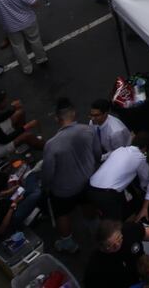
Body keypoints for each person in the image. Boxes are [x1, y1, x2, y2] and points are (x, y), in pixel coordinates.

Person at [43, 98, 101, 254]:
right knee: (88, 205)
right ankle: (96, 231)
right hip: (88, 180)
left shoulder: (51, 144)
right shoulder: (89, 130)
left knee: (62, 213)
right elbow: (97, 153)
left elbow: (48, 171)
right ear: (74, 113)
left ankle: (68, 243)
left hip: (64, 189)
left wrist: (46, 186)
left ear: (57, 118)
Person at [84, 218, 149, 288]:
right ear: (101, 247)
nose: (117, 245)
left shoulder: (128, 229)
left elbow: (143, 231)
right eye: (110, 245)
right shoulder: (95, 267)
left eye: (119, 238)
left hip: (146, 272)